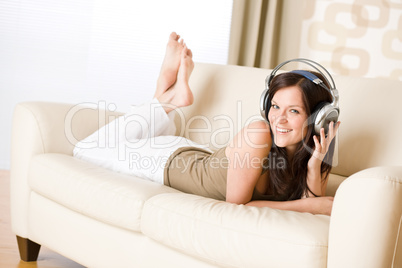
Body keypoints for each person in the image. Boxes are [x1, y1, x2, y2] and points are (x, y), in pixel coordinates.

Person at [74, 32, 340, 216]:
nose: (278, 119)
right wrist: (308, 206)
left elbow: (314, 205)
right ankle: (163, 97)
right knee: (84, 150)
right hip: (166, 163)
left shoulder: (317, 150)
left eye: (293, 110)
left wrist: (315, 164)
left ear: (318, 117)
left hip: (197, 157)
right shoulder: (258, 133)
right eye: (275, 106)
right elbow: (239, 207)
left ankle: (168, 96)